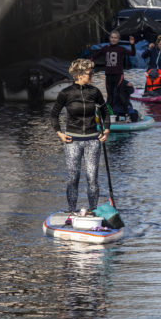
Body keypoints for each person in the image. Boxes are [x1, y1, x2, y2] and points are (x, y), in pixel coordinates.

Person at [50, 59, 110, 214]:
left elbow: (105, 112)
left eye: (92, 73)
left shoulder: (95, 92)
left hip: (92, 140)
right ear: (79, 74)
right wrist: (59, 133)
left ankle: (93, 211)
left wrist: (107, 130)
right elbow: (54, 114)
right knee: (73, 177)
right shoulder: (66, 93)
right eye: (89, 73)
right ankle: (71, 210)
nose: (92, 76)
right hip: (72, 141)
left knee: (92, 178)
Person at [90, 31, 136, 106]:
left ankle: (124, 113)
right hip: (108, 76)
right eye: (112, 37)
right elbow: (94, 56)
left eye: (115, 38)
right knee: (110, 97)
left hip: (118, 76)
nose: (113, 39)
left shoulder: (121, 49)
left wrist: (132, 44)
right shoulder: (105, 48)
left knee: (121, 95)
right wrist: (87, 61)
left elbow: (133, 54)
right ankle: (109, 114)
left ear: (118, 39)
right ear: (109, 38)